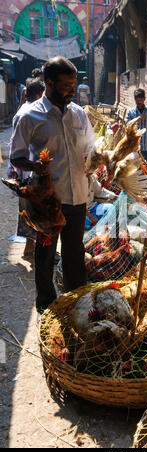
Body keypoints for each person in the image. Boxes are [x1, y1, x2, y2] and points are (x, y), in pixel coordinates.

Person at [9, 56, 96, 316]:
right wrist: (35, 166)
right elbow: (16, 156)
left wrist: (100, 158)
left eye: (74, 85)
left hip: (77, 196)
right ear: (48, 82)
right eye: (67, 85)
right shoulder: (29, 115)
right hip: (48, 202)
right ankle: (46, 304)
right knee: (46, 253)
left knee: (74, 253)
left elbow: (92, 148)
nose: (73, 90)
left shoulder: (79, 113)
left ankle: (76, 301)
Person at [7, 78, 45, 257]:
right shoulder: (29, 113)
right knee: (32, 209)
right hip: (29, 170)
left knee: (28, 208)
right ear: (39, 95)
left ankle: (30, 246)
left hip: (24, 170)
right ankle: (32, 247)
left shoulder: (22, 111)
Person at [125, 88, 147, 165]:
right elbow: (127, 125)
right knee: (136, 172)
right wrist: (137, 119)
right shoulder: (131, 112)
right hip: (135, 149)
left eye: (141, 100)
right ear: (135, 100)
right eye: (137, 101)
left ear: (144, 99)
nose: (139, 102)